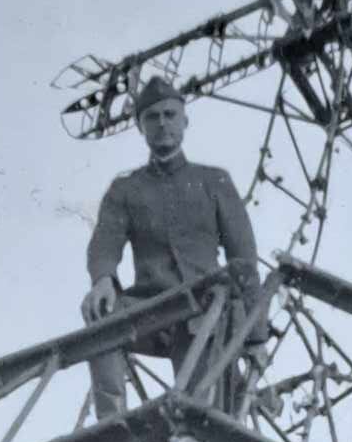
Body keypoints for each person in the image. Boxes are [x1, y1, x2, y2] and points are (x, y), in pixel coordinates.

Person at [81, 76, 268, 420]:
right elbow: (104, 243)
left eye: (170, 114)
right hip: (151, 308)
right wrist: (102, 278)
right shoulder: (126, 189)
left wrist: (256, 337)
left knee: (203, 417)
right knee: (99, 317)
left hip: (205, 313)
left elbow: (244, 260)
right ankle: (111, 427)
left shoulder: (215, 181)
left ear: (184, 121)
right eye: (152, 117)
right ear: (140, 127)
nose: (162, 123)